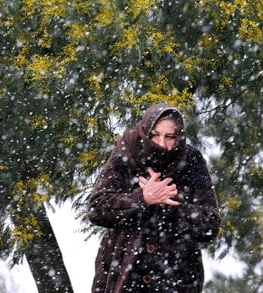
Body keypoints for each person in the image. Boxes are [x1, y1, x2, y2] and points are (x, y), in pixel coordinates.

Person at [88, 103, 221, 293]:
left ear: (179, 136)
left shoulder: (191, 159)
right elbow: (97, 209)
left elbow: (210, 225)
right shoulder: (127, 151)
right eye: (155, 135)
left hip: (176, 278)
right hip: (123, 272)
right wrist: (142, 199)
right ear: (145, 132)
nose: (161, 143)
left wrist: (172, 203)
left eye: (170, 137)